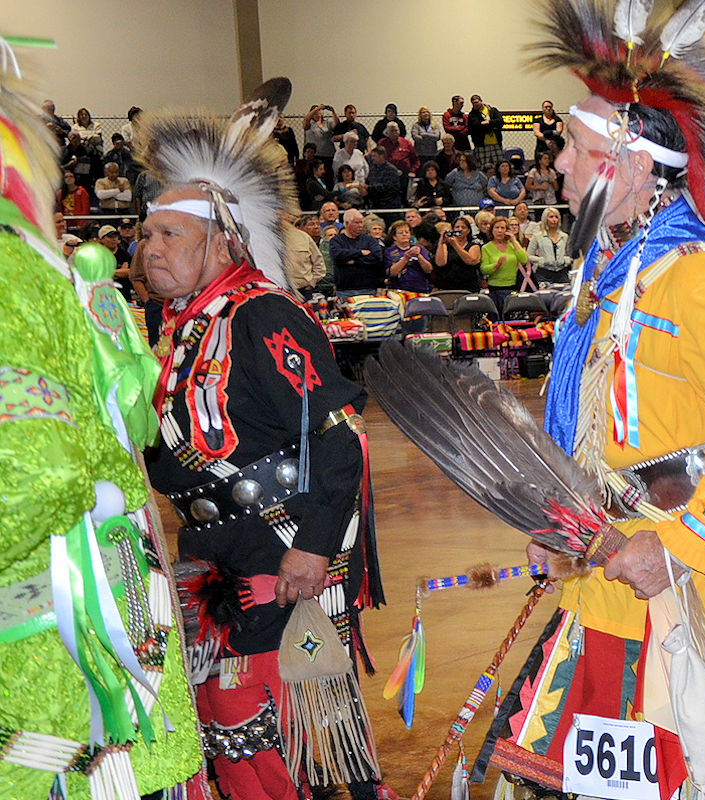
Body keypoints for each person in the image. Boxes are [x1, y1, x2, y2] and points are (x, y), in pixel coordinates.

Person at [474, 4, 705, 799]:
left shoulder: (692, 278)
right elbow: (593, 437)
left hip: (694, 597)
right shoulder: (606, 280)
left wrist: (681, 541)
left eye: (576, 151)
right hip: (611, 582)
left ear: (638, 164)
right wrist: (564, 531)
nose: (560, 168)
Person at [136, 77, 390, 800]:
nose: (150, 247)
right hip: (213, 562)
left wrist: (313, 548)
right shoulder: (179, 333)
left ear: (221, 239)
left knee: (288, 734)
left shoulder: (263, 316)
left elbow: (338, 435)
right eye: (147, 234)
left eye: (169, 235)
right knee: (228, 731)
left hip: (282, 554)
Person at [0, 69, 207, 799]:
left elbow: (40, 471)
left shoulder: (14, 281)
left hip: (51, 633)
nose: (148, 246)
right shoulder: (51, 275)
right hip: (100, 597)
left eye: (167, 233)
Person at [330, 208, 386, 296]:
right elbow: (337, 256)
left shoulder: (370, 240)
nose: (360, 225)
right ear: (347, 223)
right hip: (344, 290)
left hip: (368, 288)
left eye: (361, 222)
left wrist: (354, 261)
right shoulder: (337, 240)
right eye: (357, 222)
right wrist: (360, 252)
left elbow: (377, 257)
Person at [480, 216, 527, 309]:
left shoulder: (513, 244)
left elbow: (524, 260)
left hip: (514, 286)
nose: (500, 231)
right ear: (492, 230)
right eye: (497, 228)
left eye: (502, 228)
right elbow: (484, 269)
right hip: (495, 288)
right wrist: (496, 265)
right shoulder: (486, 248)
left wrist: (513, 240)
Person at [433, 213, 483, 290]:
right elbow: (440, 263)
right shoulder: (446, 245)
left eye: (463, 227)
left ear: (468, 230)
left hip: (469, 287)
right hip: (447, 287)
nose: (460, 229)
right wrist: (441, 241)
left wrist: (455, 245)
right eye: (457, 227)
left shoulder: (474, 245)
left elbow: (471, 261)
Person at [284, 211, 328, 295]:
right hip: (280, 290)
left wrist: (311, 283)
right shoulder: (270, 239)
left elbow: (319, 264)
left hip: (304, 290)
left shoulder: (304, 237)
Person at [386, 219, 434, 292]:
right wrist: (406, 258)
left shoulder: (420, 248)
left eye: (407, 232)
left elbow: (429, 269)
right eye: (400, 233)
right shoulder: (389, 251)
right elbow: (392, 273)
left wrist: (419, 256)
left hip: (420, 288)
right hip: (398, 289)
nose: (404, 234)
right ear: (394, 237)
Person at [527, 206, 570, 285]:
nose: (554, 220)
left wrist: (565, 260)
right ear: (545, 219)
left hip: (562, 273)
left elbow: (572, 255)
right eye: (551, 217)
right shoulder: (537, 236)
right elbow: (529, 255)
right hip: (543, 273)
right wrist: (541, 260)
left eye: (556, 217)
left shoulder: (565, 236)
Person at [468, 94, 505, 172]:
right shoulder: (472, 115)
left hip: (496, 143)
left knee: (499, 166)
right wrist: (492, 126)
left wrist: (488, 122)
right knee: (483, 167)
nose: (475, 104)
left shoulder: (492, 110)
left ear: (481, 101)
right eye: (473, 103)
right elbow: (476, 126)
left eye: (476, 102)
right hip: (481, 144)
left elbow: (500, 121)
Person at [365, 147, 404, 212]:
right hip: (376, 204)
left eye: (374, 156)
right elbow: (369, 181)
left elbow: (389, 186)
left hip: (389, 205)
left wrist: (369, 188)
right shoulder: (372, 169)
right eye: (372, 156)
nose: (372, 158)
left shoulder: (391, 170)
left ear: (382, 156)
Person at [302, 103, 338, 170]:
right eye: (315, 111)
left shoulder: (327, 123)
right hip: (315, 155)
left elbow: (337, 124)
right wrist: (318, 108)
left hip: (328, 154)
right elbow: (306, 119)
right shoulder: (310, 123)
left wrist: (333, 111)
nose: (317, 113)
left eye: (319, 111)